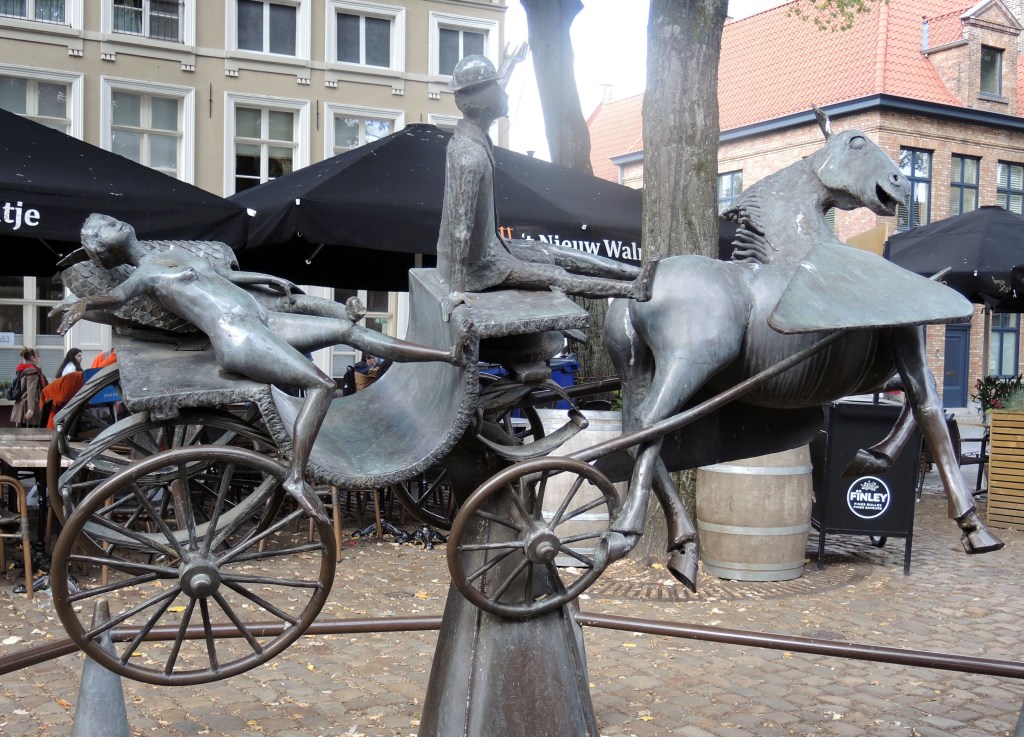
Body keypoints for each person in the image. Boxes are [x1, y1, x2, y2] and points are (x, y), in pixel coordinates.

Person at [51, 218, 472, 520]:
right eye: (100, 229)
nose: (108, 222)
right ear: (106, 250)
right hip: (238, 337)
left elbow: (225, 276)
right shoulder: (144, 273)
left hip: (262, 319)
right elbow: (117, 298)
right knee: (322, 385)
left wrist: (271, 278)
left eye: (104, 220)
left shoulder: (170, 253)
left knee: (349, 331)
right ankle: (296, 476)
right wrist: (83, 304)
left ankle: (446, 356)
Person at [437, 55, 657, 319]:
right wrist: (455, 290)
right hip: (481, 269)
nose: (503, 92)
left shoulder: (475, 136)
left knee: (553, 251)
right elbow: (461, 227)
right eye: (497, 88)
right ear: (484, 101)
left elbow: (464, 227)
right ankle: (635, 289)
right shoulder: (468, 156)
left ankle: (637, 271)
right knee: (557, 274)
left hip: (492, 249)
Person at [9, 347, 47, 428]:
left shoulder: (23, 369)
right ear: (33, 358)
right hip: (29, 406)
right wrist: (31, 409)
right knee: (32, 434)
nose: (39, 358)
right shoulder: (32, 372)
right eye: (38, 356)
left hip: (23, 404)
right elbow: (31, 391)